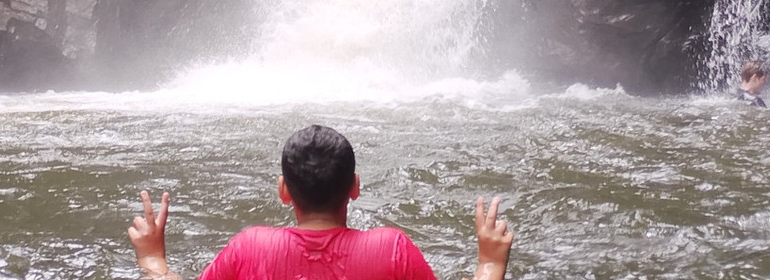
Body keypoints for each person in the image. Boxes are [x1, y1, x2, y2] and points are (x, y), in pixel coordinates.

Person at [128, 124, 514, 280]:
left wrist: (151, 258)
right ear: (355, 187)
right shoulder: (391, 250)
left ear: (283, 191)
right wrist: (490, 262)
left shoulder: (251, 248)